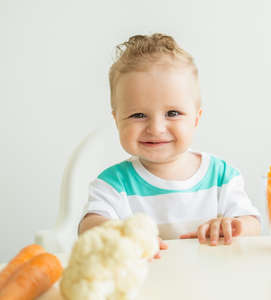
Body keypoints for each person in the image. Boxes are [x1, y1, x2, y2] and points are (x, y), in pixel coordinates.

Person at [78, 33, 261, 256]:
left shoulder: (221, 177)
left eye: (172, 113)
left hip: (209, 285)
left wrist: (232, 226)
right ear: (117, 119)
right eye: (138, 115)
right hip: (144, 288)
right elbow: (88, 228)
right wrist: (120, 233)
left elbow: (253, 224)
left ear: (196, 118)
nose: (156, 128)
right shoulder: (113, 185)